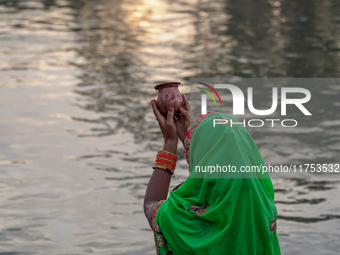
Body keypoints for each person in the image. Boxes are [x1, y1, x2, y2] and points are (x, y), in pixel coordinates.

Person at [144, 95, 281, 255]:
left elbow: (151, 204)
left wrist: (170, 142)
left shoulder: (181, 219)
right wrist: (193, 140)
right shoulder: (265, 208)